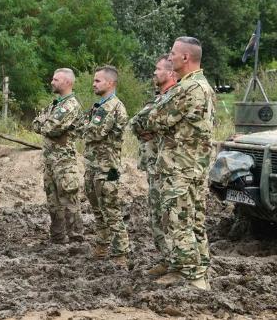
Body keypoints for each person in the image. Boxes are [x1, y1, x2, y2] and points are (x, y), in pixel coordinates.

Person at [144, 37, 215, 291]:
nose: (169, 57)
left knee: (179, 221)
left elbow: (155, 119)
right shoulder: (199, 85)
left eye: (173, 53)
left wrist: (150, 121)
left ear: (186, 58)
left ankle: (193, 278)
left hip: (181, 167)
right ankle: (193, 269)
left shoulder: (189, 89)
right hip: (189, 165)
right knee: (192, 220)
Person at [129, 55, 177, 276]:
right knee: (156, 215)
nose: (154, 73)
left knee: (170, 216)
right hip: (154, 165)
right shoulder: (158, 100)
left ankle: (176, 263)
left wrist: (151, 127)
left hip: (168, 167)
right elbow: (136, 123)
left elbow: (149, 122)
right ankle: (166, 260)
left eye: (158, 69)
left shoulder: (174, 98)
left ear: (170, 73)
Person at [82, 65, 130, 267]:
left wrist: (82, 126)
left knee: (111, 211)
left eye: (97, 81)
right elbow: (86, 128)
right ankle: (102, 246)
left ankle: (121, 254)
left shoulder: (112, 107)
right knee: (98, 211)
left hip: (107, 169)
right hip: (94, 166)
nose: (93, 84)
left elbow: (93, 133)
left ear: (110, 83)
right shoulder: (99, 106)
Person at [32, 68, 84, 244]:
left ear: (67, 82)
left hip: (64, 162)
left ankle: (76, 239)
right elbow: (35, 123)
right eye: (52, 79)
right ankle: (57, 237)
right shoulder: (55, 104)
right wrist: (44, 121)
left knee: (69, 200)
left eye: (56, 79)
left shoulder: (70, 105)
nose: (52, 82)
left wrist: (44, 121)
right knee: (53, 202)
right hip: (50, 162)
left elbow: (49, 128)